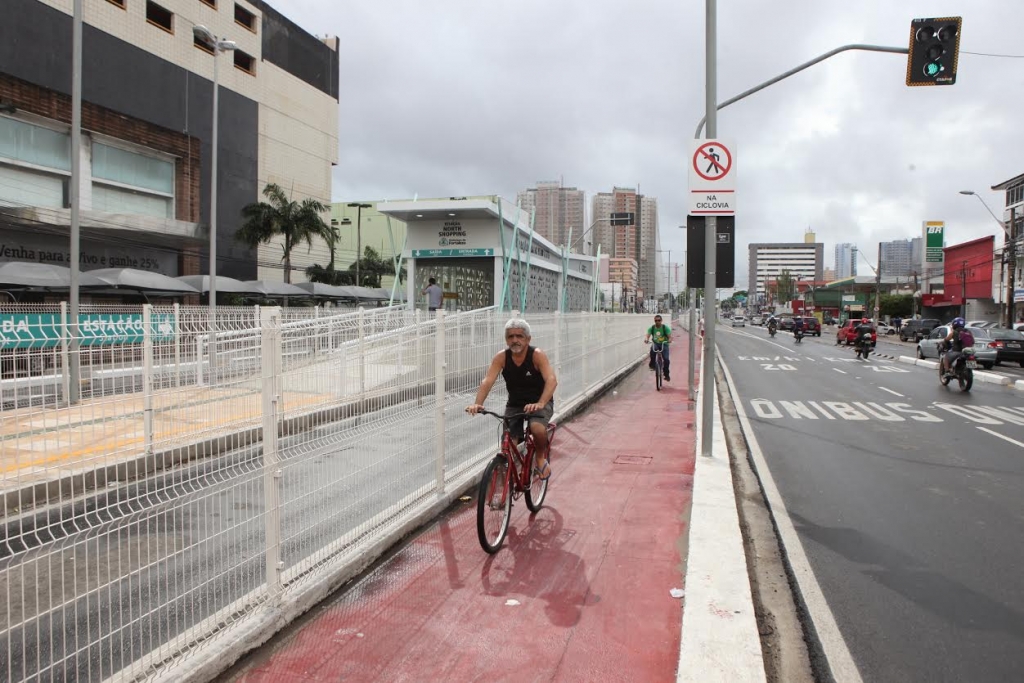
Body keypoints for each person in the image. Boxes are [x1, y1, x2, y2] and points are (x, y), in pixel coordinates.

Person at [466, 319, 558, 481]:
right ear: (506, 339)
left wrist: (541, 403)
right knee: (508, 444)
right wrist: (477, 403)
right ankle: (509, 477)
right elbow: (487, 381)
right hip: (515, 404)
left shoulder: (537, 355)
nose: (515, 340)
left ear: (528, 339)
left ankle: (540, 458)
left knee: (536, 428)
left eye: (519, 336)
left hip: (539, 402)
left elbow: (551, 380)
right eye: (510, 337)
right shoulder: (501, 357)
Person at [644, 314, 672, 381]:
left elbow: (669, 337)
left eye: (659, 320)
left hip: (664, 344)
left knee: (666, 360)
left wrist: (669, 339)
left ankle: (666, 374)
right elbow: (648, 335)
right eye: (656, 320)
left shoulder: (665, 328)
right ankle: (652, 365)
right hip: (656, 343)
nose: (657, 322)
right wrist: (647, 339)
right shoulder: (652, 328)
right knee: (652, 351)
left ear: (661, 321)